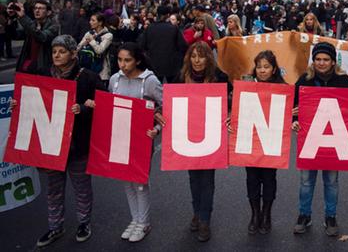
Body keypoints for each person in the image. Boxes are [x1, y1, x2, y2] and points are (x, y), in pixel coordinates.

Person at [11, 35, 102, 247]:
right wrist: (18, 104)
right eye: (54, 52)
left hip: (77, 145)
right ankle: (55, 227)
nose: (57, 55)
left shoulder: (88, 77)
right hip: (50, 145)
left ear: (73, 53)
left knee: (82, 187)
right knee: (53, 189)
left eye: (62, 51)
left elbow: (101, 105)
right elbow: (31, 101)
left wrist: (86, 108)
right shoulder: (42, 75)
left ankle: (84, 223)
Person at [291, 42, 348, 236]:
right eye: (318, 59)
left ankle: (330, 216)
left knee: (332, 181)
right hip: (310, 139)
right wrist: (293, 119)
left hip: (335, 140)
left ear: (333, 61)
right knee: (306, 182)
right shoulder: (304, 80)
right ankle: (304, 215)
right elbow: (293, 105)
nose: (321, 63)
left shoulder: (344, 81)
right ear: (313, 60)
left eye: (326, 59)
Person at [174, 42, 230, 242]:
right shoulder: (180, 78)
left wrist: (229, 114)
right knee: (193, 178)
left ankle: (205, 219)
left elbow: (231, 101)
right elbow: (169, 102)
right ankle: (196, 212)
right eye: (193, 56)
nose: (197, 60)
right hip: (188, 136)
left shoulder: (220, 78)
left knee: (207, 180)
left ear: (208, 58)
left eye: (201, 56)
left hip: (211, 136)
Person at [108, 43, 164, 242]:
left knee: (140, 181)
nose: (122, 64)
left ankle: (144, 222)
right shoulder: (114, 79)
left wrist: (156, 130)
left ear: (137, 60)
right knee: (126, 179)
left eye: (127, 60)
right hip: (120, 137)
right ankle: (135, 219)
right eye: (120, 59)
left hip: (141, 138)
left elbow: (165, 108)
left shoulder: (149, 81)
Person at [239, 50, 285, 236]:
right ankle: (255, 214)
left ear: (274, 69)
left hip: (271, 142)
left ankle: (266, 214)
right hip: (250, 140)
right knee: (252, 179)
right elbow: (237, 109)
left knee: (268, 178)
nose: (262, 70)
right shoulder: (247, 84)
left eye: (266, 67)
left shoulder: (283, 87)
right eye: (259, 67)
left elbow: (289, 113)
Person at [138, 6, 188, 82]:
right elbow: (183, 46)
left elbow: (142, 45)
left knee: (155, 88)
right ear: (168, 15)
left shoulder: (150, 28)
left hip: (154, 63)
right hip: (171, 64)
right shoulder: (173, 28)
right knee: (172, 89)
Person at [16, 0, 59, 72]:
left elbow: (42, 37)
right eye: (35, 8)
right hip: (29, 66)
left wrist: (23, 17)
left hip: (43, 67)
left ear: (48, 12)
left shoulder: (53, 26)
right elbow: (16, 35)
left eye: (41, 8)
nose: (37, 10)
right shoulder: (32, 24)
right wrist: (9, 19)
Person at [77, 12, 113, 81]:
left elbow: (100, 50)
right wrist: (85, 42)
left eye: (93, 20)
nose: (90, 22)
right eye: (90, 20)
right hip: (88, 68)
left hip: (102, 72)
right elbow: (78, 48)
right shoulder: (89, 33)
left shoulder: (108, 35)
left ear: (100, 23)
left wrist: (92, 41)